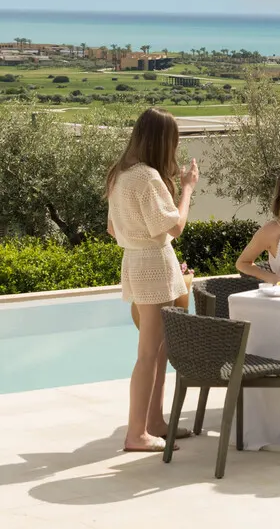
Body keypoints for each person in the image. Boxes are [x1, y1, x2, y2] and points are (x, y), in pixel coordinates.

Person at [106, 108, 198, 453]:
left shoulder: (120, 175)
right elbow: (175, 226)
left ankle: (155, 422)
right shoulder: (147, 177)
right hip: (154, 265)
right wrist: (187, 189)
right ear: (163, 141)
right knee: (148, 353)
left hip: (135, 261)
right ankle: (136, 434)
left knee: (158, 351)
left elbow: (113, 228)